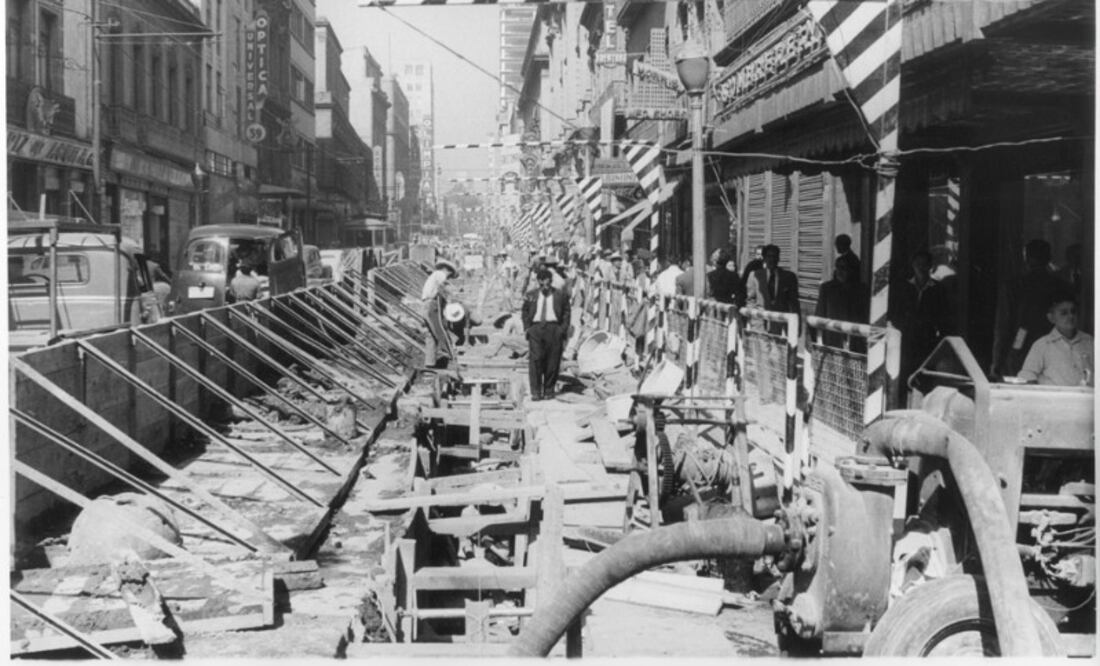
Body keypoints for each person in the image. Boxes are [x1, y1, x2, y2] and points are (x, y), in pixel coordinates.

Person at [992, 239, 1071, 377]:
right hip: (1053, 342)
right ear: (1049, 258)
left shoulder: (1014, 285)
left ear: (1026, 258)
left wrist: (997, 362)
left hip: (1021, 339)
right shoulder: (1061, 286)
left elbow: (1003, 327)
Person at [894, 250, 950, 378]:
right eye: (918, 264)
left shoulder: (938, 289)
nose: (921, 267)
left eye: (924, 264)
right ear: (913, 265)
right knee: (905, 371)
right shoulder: (905, 287)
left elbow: (943, 315)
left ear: (930, 266)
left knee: (924, 373)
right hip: (906, 339)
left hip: (927, 339)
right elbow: (897, 312)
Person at [1017, 292, 1093, 386]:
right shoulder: (1042, 345)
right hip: (1055, 399)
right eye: (1064, 313)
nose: (1070, 316)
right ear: (1051, 318)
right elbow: (1026, 376)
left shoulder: (1090, 341)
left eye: (1073, 311)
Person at [522, 268, 571, 401]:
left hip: (554, 329)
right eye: (542, 282)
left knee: (552, 361)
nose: (545, 285)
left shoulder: (560, 295)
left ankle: (549, 390)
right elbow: (525, 311)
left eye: (547, 282)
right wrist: (527, 328)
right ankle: (536, 392)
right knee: (536, 360)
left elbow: (567, 313)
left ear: (551, 281)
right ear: (538, 282)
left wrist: (562, 329)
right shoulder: (531, 295)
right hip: (536, 329)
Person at [814, 254, 868, 349]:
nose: (840, 271)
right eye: (838, 267)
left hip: (855, 342)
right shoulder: (827, 288)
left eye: (844, 268)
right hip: (832, 341)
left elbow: (865, 316)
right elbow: (819, 314)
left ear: (852, 270)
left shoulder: (861, 290)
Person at [746, 244, 800, 318]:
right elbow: (750, 300)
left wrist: (796, 325)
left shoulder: (788, 277)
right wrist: (753, 319)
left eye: (775, 256)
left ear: (778, 258)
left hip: (780, 322)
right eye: (769, 256)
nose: (772, 259)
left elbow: (794, 304)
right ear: (764, 258)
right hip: (760, 323)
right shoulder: (755, 275)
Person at [421, 259, 458, 367]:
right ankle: (452, 359)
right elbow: (445, 287)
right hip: (432, 305)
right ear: (448, 271)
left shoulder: (433, 276)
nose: (449, 278)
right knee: (441, 332)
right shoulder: (440, 274)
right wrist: (453, 297)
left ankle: (430, 362)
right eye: (450, 276)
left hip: (425, 305)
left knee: (431, 335)